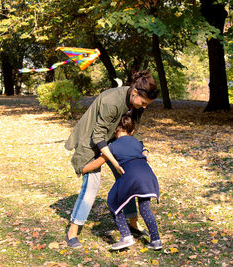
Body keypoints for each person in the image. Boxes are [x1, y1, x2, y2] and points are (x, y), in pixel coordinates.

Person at [64, 70, 159, 248]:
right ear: (135, 92)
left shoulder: (136, 104)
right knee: (91, 186)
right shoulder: (112, 102)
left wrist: (143, 149)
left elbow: (132, 130)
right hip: (90, 142)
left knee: (127, 179)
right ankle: (72, 231)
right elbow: (98, 136)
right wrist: (114, 162)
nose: (145, 107)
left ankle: (132, 223)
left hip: (112, 141)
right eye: (144, 102)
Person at [82, 115, 162, 250]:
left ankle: (126, 237)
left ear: (114, 131)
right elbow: (144, 150)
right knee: (145, 207)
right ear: (131, 132)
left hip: (130, 177)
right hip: (148, 176)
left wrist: (82, 169)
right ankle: (156, 240)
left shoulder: (112, 147)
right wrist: (146, 152)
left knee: (113, 202)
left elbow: (97, 163)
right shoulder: (137, 142)